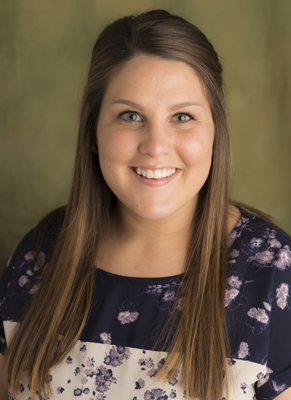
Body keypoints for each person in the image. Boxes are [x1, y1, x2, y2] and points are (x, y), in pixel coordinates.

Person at [0, 9, 291, 400]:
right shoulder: (39, 256)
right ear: (93, 130)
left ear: (215, 133)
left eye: (182, 116)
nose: (155, 146)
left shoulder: (273, 272)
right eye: (131, 115)